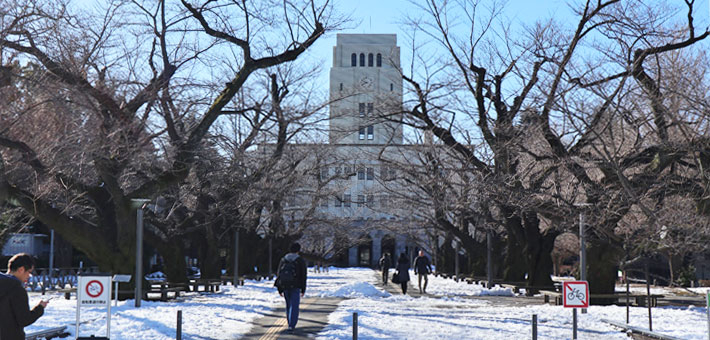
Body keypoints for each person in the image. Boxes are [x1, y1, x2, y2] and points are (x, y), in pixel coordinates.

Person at [0, 253, 48, 340]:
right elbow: (24, 319)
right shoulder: (16, 289)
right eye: (29, 272)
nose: (29, 276)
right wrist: (40, 308)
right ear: (21, 269)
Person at [274, 243, 307, 332]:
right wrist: (303, 289)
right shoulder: (300, 260)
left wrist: (279, 288)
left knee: (288, 305)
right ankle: (292, 325)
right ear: (298, 250)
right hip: (295, 286)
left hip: (284, 285)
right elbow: (303, 276)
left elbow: (279, 273)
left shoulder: (284, 259)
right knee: (294, 305)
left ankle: (289, 323)